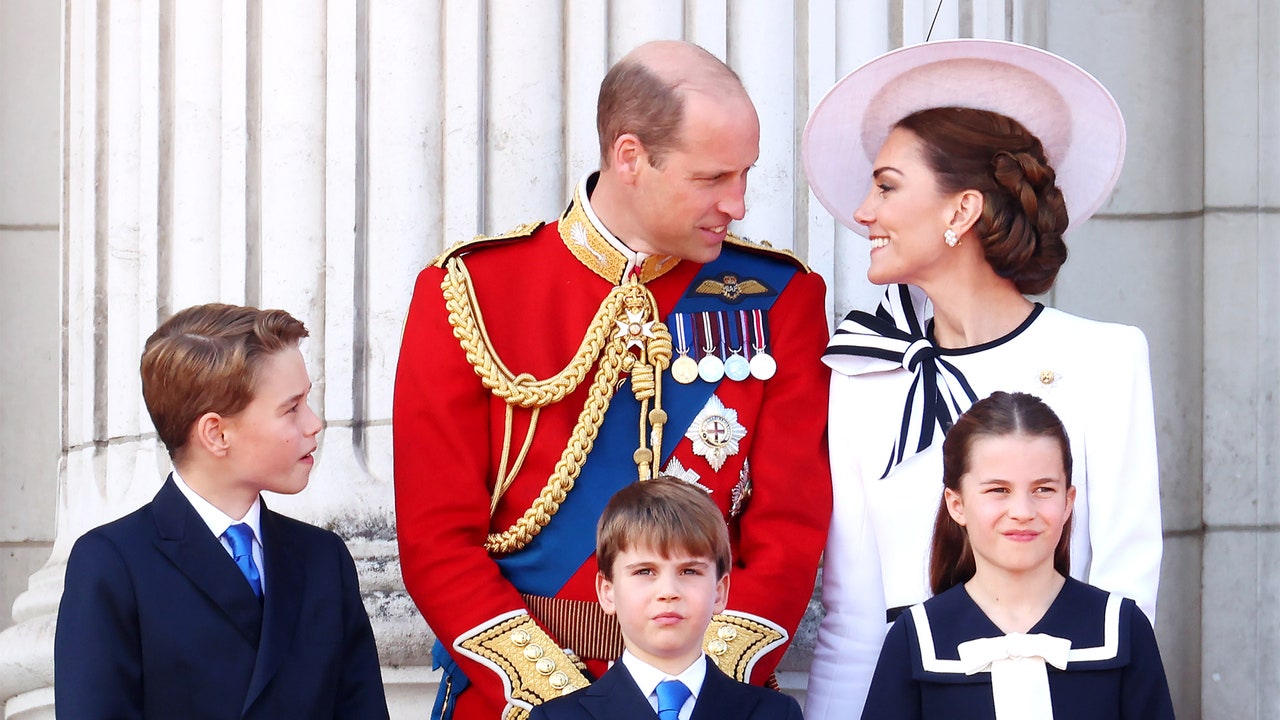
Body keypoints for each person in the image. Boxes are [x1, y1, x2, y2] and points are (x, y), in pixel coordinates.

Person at [394, 39, 832, 719]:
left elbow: (789, 531)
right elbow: (436, 541)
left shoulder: (779, 298)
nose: (739, 203)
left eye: (746, 174)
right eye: (714, 178)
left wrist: (682, 693)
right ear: (630, 157)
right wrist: (558, 702)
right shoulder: (472, 290)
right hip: (518, 699)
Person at [800, 39, 1162, 717]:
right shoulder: (862, 371)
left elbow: (1127, 592)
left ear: (960, 211)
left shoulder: (1106, 359)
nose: (862, 212)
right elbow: (851, 617)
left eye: (886, 186)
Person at [54, 304, 390, 720]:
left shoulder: (324, 560)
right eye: (292, 408)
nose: (314, 423)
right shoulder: (112, 565)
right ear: (216, 433)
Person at [861, 392, 1174, 719]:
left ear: (1068, 501)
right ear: (957, 504)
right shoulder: (916, 637)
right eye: (999, 490)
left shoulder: (1122, 628)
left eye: (1043, 489)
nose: (1023, 512)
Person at [529, 477, 804, 720]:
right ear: (607, 591)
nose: (668, 591)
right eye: (645, 571)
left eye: (689, 571)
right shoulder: (556, 717)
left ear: (720, 592)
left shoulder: (775, 714)